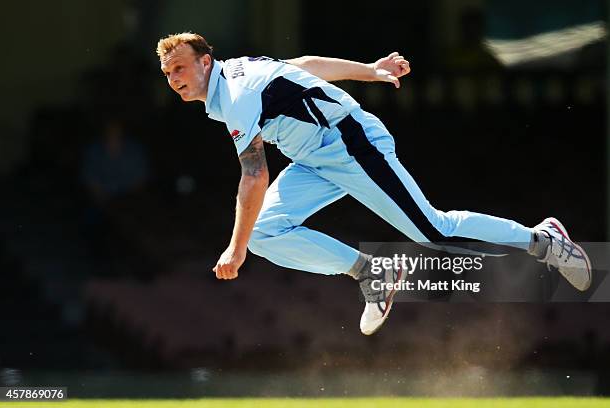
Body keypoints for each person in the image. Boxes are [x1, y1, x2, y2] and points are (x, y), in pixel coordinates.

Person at [156, 33, 591, 335]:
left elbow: (254, 174)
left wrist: (234, 248)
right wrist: (370, 70)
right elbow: (305, 66)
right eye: (168, 73)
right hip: (313, 159)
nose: (174, 79)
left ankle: (544, 239)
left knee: (432, 229)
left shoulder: (234, 95)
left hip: (351, 143)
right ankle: (372, 274)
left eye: (180, 68)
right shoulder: (237, 73)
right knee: (265, 233)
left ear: (205, 61)